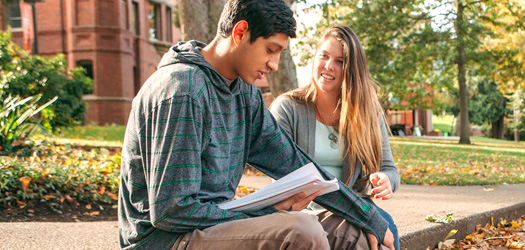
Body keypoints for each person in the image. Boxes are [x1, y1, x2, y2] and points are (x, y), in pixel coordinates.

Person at [118, 1, 394, 249]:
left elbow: (295, 163)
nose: (274, 65)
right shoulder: (182, 91)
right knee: (301, 230)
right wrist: (267, 212)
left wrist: (368, 217)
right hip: (165, 240)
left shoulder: (244, 94)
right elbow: (171, 210)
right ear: (240, 33)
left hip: (213, 224)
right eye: (270, 50)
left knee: (354, 232)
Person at [270, 25, 401, 250]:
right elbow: (282, 177)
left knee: (388, 228)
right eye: (324, 56)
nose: (329, 66)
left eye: (340, 61)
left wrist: (386, 180)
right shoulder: (287, 109)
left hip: (355, 205)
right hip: (304, 208)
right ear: (315, 58)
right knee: (367, 235)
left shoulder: (368, 113)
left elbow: (389, 168)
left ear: (352, 70)